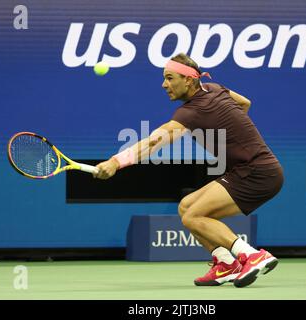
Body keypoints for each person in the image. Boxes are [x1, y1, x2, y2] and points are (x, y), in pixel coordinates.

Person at [94, 53, 284, 288]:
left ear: (188, 80)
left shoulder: (191, 112)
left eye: (169, 78)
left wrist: (115, 162)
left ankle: (252, 256)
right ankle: (225, 264)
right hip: (252, 170)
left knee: (195, 215)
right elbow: (245, 103)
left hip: (257, 173)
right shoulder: (214, 88)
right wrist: (225, 129)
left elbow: (153, 143)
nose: (164, 85)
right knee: (186, 206)